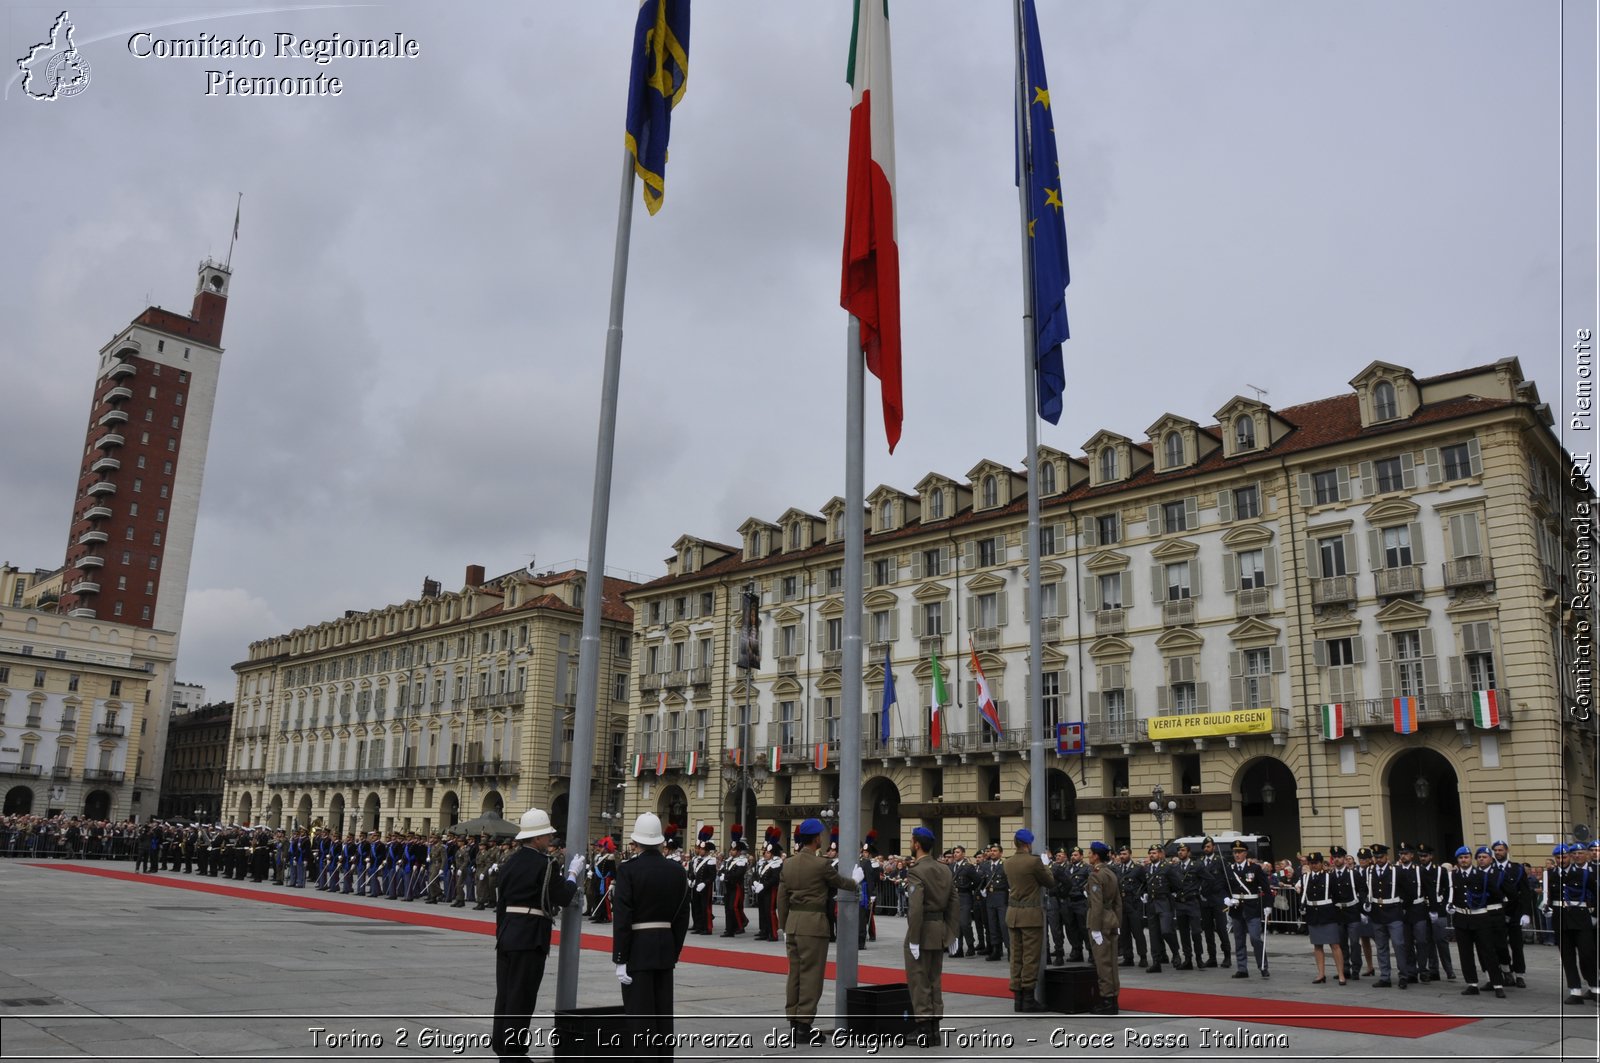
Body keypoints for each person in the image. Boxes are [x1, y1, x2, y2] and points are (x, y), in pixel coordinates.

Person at [492, 807, 584, 1061]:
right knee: (522, 997)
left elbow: (501, 904)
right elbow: (562, 896)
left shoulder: (510, 861)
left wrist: (502, 933)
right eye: (546, 836)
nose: (549, 840)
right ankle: (515, 1052)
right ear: (536, 839)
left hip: (508, 933)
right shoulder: (545, 864)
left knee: (505, 995)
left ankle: (502, 1047)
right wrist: (573, 874)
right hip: (530, 936)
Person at [613, 813, 691, 1059]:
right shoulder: (676, 871)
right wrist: (673, 949)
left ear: (636, 841)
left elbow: (623, 918)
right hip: (664, 947)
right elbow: (681, 916)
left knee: (640, 1017)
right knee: (662, 1015)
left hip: (637, 948)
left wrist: (620, 957)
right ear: (659, 840)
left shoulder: (628, 870)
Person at [777, 818, 861, 1039]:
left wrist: (783, 924)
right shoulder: (820, 864)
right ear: (816, 839)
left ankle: (794, 1019)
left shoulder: (788, 864)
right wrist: (855, 882)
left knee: (794, 974)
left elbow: (781, 900)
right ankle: (804, 1024)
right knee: (811, 975)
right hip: (813, 925)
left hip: (793, 923)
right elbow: (840, 883)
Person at [902, 826, 957, 1045]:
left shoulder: (916, 870)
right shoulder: (944, 869)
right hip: (939, 930)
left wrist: (914, 938)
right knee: (935, 978)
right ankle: (934, 1028)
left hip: (922, 930)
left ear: (916, 844)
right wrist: (952, 933)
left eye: (912, 840)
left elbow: (915, 908)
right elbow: (954, 902)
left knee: (919, 980)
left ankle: (924, 1028)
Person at [1439, 845, 1506, 999]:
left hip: (1480, 917)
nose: (1464, 860)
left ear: (1471, 859)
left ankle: (1497, 984)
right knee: (1465, 953)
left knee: (1488, 951)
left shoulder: (1482, 875)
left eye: (1466, 857)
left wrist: (1485, 904)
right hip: (1461, 918)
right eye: (1461, 858)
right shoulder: (1453, 876)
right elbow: (1448, 893)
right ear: (1458, 860)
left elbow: (1496, 895)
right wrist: (1448, 905)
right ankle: (1472, 984)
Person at [1003, 828, 1055, 1012]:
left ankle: (1017, 999)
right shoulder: (1034, 862)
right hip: (1030, 916)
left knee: (1016, 957)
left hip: (1013, 915)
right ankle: (1028, 999)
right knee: (1030, 958)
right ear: (1028, 844)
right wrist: (1046, 863)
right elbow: (1050, 882)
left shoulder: (1008, 862)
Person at [1541, 843, 1597, 1003]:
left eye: (1564, 857)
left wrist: (1595, 915)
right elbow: (1549, 896)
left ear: (1570, 857)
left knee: (1588, 954)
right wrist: (1548, 908)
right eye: (1558, 857)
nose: (1561, 860)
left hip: (1581, 918)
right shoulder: (1550, 875)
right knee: (1567, 956)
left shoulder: (1583, 874)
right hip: (1561, 919)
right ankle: (1575, 991)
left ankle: (1595, 988)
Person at [1084, 841, 1121, 1015]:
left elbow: (1097, 904)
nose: (1088, 856)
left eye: (1090, 853)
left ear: (1096, 856)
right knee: (1112, 961)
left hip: (1100, 920)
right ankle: (1113, 999)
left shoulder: (1096, 875)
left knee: (1103, 962)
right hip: (1111, 918)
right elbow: (1118, 902)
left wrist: (1096, 928)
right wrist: (1118, 922)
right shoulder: (1111, 873)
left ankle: (1106, 1000)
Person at [1223, 841, 1270, 978]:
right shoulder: (1230, 869)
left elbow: (1266, 888)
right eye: (1234, 852)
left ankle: (1262, 965)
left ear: (1245, 853)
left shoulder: (1254, 868)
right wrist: (1226, 899)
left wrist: (1268, 905)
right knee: (1239, 940)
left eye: (1239, 852)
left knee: (1255, 938)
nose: (1236, 855)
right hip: (1237, 909)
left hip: (1252, 908)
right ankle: (1242, 968)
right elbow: (1223, 887)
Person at [1297, 853, 1345, 984]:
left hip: (1327, 913)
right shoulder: (1305, 877)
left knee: (1334, 944)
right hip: (1313, 913)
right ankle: (1321, 974)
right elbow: (1303, 894)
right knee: (1317, 946)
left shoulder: (1330, 877)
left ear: (1321, 863)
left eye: (1316, 863)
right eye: (1311, 863)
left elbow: (1336, 896)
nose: (1314, 865)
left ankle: (1341, 974)